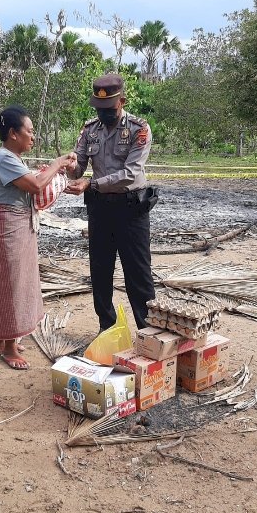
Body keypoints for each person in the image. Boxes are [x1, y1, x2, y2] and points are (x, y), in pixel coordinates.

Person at [0, 105, 76, 370]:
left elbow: (30, 182)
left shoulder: (10, 158)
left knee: (6, 283)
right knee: (12, 285)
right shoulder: (4, 158)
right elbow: (35, 185)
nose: (33, 137)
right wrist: (58, 163)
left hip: (13, 227)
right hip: (9, 229)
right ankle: (10, 347)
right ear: (13, 133)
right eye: (30, 131)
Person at [65, 73, 158, 332]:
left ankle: (147, 333)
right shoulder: (89, 129)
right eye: (99, 108)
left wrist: (90, 183)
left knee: (138, 275)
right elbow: (79, 167)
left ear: (122, 101)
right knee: (101, 272)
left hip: (131, 209)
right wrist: (69, 166)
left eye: (109, 109)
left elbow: (130, 174)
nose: (104, 114)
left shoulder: (140, 130)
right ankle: (106, 330)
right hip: (100, 210)